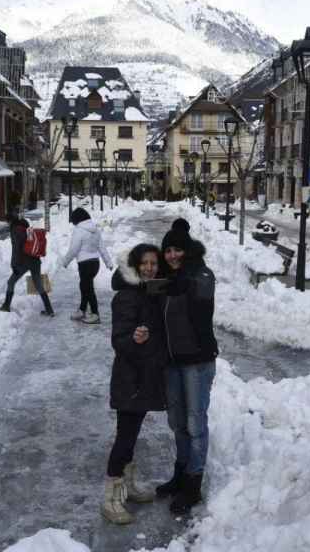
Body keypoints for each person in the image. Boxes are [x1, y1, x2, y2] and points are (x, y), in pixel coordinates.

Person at [102, 243, 168, 525]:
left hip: (144, 377)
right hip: (130, 379)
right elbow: (119, 340)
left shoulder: (151, 291)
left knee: (131, 432)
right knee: (125, 436)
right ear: (135, 265)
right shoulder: (128, 296)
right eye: (144, 263)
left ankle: (127, 485)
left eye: (154, 263)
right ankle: (111, 495)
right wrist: (134, 338)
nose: (150, 268)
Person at [156, 218, 218, 515]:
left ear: (188, 251)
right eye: (168, 251)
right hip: (172, 364)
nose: (172, 256)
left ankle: (193, 484)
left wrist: (185, 284)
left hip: (197, 363)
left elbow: (203, 299)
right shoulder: (165, 281)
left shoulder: (201, 275)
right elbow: (125, 279)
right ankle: (180, 474)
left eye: (178, 250)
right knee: (177, 424)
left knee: (195, 424)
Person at [59, 207, 113, 324]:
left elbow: (74, 249)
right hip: (95, 263)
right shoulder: (95, 229)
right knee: (85, 286)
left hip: (85, 264)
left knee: (87, 288)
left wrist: (65, 261)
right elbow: (102, 247)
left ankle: (95, 314)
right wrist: (108, 262)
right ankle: (82, 310)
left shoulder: (79, 230)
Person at [0, 214, 55, 316]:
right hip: (35, 260)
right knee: (38, 284)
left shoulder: (15, 230)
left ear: (10, 222)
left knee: (11, 282)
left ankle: (6, 306)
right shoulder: (27, 228)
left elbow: (16, 249)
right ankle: (49, 310)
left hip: (24, 261)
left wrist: (14, 265)